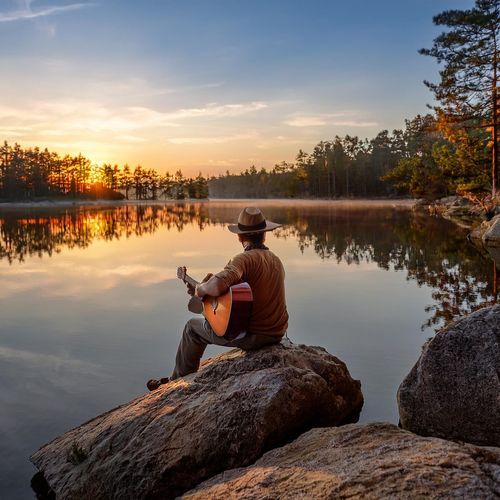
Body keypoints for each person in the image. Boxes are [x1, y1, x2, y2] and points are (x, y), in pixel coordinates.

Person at [147, 207, 288, 390]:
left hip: (254, 337)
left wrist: (200, 290)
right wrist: (205, 294)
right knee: (208, 316)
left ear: (239, 237)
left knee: (192, 328)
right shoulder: (275, 259)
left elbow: (216, 286)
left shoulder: (243, 259)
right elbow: (240, 297)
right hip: (277, 333)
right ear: (264, 235)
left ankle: (176, 383)